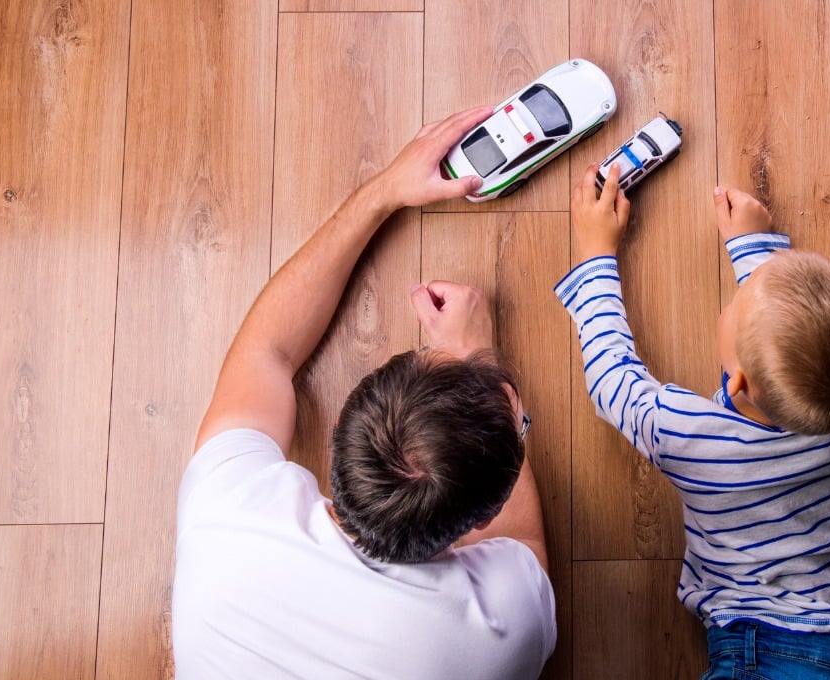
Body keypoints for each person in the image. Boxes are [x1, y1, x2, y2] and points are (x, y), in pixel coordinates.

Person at [173, 106, 556, 679]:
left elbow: (266, 351)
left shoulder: (227, 509)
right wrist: (477, 363)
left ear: (341, 434)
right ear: (484, 520)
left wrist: (383, 192)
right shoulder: (501, 631)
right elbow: (524, 547)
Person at [559, 163, 830, 678]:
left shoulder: (685, 435)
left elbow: (614, 382)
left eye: (737, 302)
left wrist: (595, 252)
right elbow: (800, 341)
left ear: (738, 380)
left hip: (766, 649)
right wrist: (754, 244)